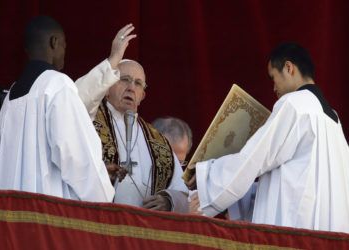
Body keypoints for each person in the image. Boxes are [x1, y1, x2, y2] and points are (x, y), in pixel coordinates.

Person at [186, 42, 349, 233]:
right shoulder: (333, 118)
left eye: (273, 77)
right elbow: (295, 179)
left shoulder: (294, 104)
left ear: (289, 68)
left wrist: (207, 176)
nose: (273, 88)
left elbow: (253, 159)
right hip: (329, 232)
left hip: (294, 231)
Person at [0, 16, 133, 202]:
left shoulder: (10, 97)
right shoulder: (57, 84)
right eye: (64, 45)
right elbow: (76, 157)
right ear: (54, 43)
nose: (64, 52)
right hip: (47, 214)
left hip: (12, 216)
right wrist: (102, 194)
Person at [76, 59, 189, 212]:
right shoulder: (88, 119)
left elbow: (182, 191)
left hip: (142, 230)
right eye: (124, 80)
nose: (131, 88)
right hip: (98, 221)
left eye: (138, 83)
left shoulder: (158, 141)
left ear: (143, 95)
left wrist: (168, 200)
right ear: (108, 87)